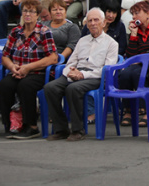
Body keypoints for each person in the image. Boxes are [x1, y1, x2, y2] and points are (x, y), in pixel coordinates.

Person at [44, 8, 118, 142]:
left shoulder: (111, 44)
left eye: (96, 20)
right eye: (90, 21)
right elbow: (71, 62)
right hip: (76, 73)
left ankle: (78, 130)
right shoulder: (82, 40)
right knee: (50, 88)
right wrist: (71, 71)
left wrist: (82, 75)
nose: (93, 23)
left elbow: (107, 70)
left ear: (103, 23)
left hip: (95, 77)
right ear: (86, 24)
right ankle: (61, 129)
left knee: (73, 88)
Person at [0, 0, 57, 139]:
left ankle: (32, 126)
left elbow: (53, 57)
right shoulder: (16, 32)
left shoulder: (44, 32)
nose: (27, 14)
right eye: (25, 11)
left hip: (38, 72)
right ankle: (11, 124)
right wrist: (12, 67)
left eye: (31, 11)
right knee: (4, 85)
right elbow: (5, 56)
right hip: (17, 71)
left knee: (25, 86)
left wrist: (28, 68)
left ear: (37, 14)